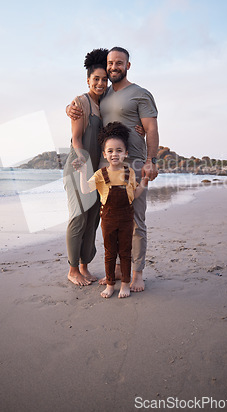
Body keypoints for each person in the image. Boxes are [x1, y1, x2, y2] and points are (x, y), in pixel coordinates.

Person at [67, 47, 159, 292]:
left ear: (128, 65)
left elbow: (151, 129)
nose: (114, 66)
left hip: (135, 163)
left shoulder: (140, 94)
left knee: (136, 220)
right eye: (110, 63)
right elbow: (85, 105)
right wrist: (70, 108)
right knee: (110, 219)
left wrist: (151, 160)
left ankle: (137, 274)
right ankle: (118, 268)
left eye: (120, 62)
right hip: (106, 167)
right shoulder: (103, 94)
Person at [78, 122, 148, 298]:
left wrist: (145, 182)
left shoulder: (129, 172)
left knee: (125, 252)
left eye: (118, 150)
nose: (114, 154)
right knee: (109, 253)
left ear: (126, 153)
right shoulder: (101, 174)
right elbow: (86, 190)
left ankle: (125, 284)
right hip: (108, 218)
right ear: (104, 154)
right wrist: (82, 171)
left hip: (126, 218)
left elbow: (135, 194)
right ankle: (110, 284)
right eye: (110, 151)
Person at [63, 48, 109, 286]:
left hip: (97, 171)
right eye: (96, 79)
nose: (100, 83)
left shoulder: (104, 105)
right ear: (88, 80)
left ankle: (84, 267)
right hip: (78, 166)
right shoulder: (80, 102)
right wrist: (84, 170)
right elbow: (77, 140)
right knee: (79, 217)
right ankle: (72, 270)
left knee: (93, 219)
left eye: (104, 79)